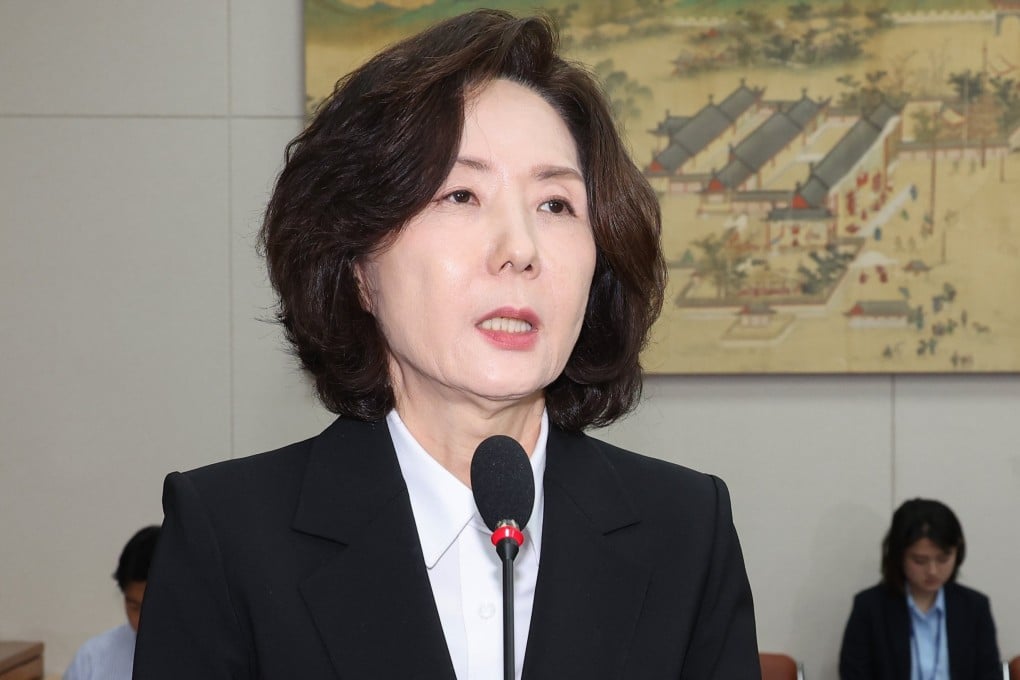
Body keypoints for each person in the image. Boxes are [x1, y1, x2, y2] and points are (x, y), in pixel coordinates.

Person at [134, 9, 759, 679]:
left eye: (555, 204)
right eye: (461, 195)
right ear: (359, 265)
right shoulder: (229, 538)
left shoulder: (687, 531)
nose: (520, 249)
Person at [839, 498, 1000, 680]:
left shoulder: (974, 608)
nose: (932, 571)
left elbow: (990, 675)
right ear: (899, 556)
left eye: (943, 559)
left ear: (958, 551)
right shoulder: (870, 608)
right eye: (919, 561)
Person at [64, 525, 160, 680]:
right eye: (134, 607)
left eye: (154, 609)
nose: (144, 622)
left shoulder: (205, 656)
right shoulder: (91, 659)